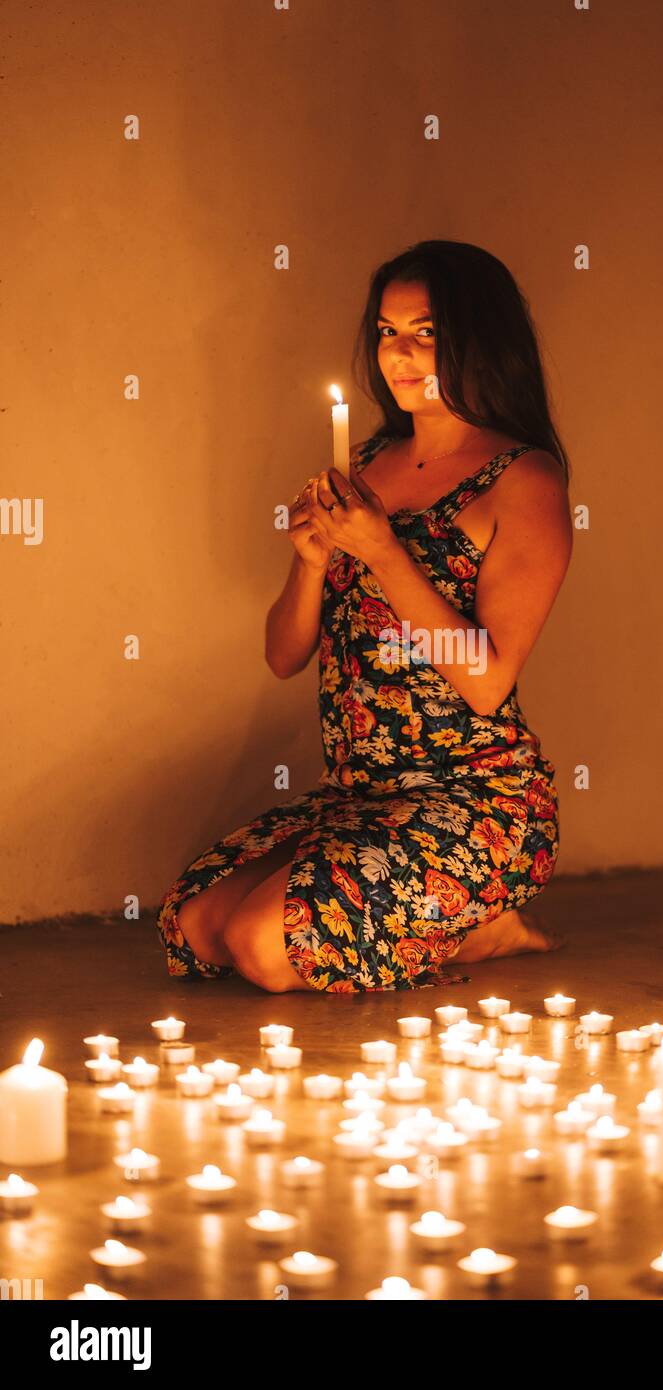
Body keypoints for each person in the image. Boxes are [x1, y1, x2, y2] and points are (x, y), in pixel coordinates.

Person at [154, 239, 573, 993]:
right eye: (386, 331)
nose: (400, 355)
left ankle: (482, 924)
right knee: (195, 926)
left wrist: (382, 551)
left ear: (478, 336)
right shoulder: (366, 463)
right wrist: (312, 560)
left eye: (426, 332)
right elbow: (284, 655)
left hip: (472, 797)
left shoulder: (524, 480)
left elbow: (486, 684)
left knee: (261, 946)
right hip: (360, 797)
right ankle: (450, 919)